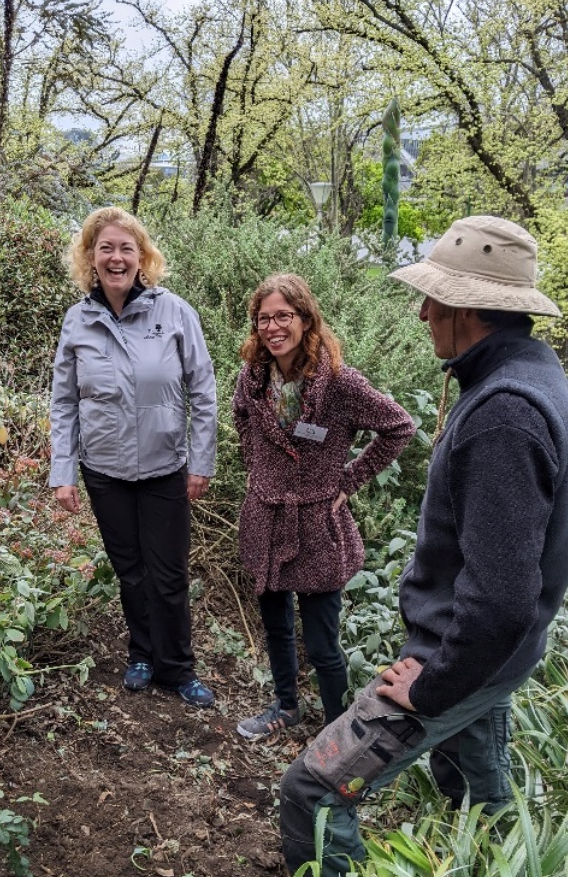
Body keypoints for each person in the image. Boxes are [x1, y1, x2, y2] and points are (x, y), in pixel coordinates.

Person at [279, 215, 568, 877]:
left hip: (465, 654)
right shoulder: (533, 373)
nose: (422, 314)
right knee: (479, 795)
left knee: (313, 793)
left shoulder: (504, 414)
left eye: (433, 299)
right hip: (493, 655)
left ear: (468, 309)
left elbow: (501, 598)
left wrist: (435, 684)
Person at [232, 273, 416, 739]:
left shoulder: (338, 382)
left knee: (322, 644)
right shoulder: (252, 379)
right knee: (276, 627)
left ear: (305, 319)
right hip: (265, 517)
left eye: (283, 316)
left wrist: (347, 480)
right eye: (263, 319)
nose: (273, 327)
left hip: (317, 526)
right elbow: (241, 418)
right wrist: (256, 465)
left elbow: (399, 426)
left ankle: (337, 732)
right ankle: (285, 706)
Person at [50, 206, 217, 708]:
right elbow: (64, 402)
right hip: (104, 471)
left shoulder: (175, 312)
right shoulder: (77, 321)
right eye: (106, 248)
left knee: (169, 576)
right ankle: (141, 654)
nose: (116, 258)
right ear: (90, 257)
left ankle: (178, 668)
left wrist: (201, 462)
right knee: (132, 572)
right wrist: (63, 472)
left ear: (142, 257)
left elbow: (203, 392)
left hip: (166, 467)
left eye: (127, 248)